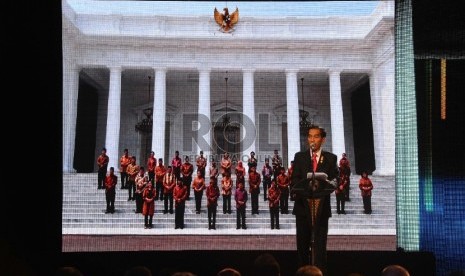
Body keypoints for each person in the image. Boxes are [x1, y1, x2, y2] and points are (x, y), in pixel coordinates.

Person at [291, 125, 338, 274]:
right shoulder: (300, 157)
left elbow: (335, 179)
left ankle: (319, 273)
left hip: (321, 207)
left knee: (320, 247)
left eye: (316, 136)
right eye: (310, 136)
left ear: (322, 139)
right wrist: (305, 187)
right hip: (303, 207)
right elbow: (294, 180)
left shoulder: (330, 158)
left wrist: (330, 183)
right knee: (302, 247)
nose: (312, 139)